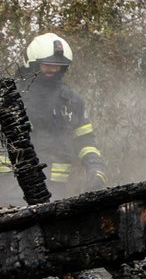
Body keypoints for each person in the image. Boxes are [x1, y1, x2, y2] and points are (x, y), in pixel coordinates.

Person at [0, 33, 108, 199]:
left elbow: (85, 141)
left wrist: (96, 168)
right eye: (47, 65)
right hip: (8, 185)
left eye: (57, 66)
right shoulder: (8, 96)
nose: (52, 69)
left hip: (54, 189)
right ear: (32, 64)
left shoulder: (71, 102)